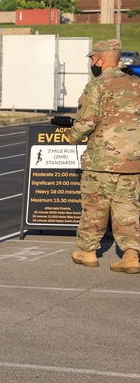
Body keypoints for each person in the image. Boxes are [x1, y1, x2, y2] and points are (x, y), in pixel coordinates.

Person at [66, 38, 140, 274]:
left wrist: (72, 137)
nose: (92, 63)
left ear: (100, 59)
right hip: (133, 161)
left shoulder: (97, 86)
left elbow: (86, 122)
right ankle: (131, 256)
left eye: (92, 59)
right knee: (128, 208)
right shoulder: (137, 84)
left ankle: (87, 252)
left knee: (95, 206)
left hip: (102, 160)